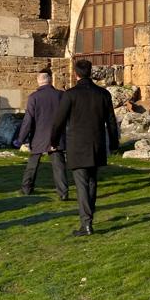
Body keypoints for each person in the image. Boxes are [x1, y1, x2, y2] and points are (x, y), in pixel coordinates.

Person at [50, 59, 119, 237]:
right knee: (92, 182)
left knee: (81, 184)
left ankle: (86, 223)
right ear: (91, 72)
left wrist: (53, 141)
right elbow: (111, 121)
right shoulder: (103, 94)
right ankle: (89, 218)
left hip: (77, 145)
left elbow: (58, 121)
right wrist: (114, 143)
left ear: (76, 74)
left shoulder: (70, 94)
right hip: (97, 143)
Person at [13, 70, 68, 201]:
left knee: (32, 164)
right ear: (50, 81)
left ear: (38, 81)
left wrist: (21, 139)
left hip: (39, 135)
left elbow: (28, 120)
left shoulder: (34, 97)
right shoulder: (61, 95)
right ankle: (63, 193)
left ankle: (26, 188)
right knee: (59, 165)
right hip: (57, 135)